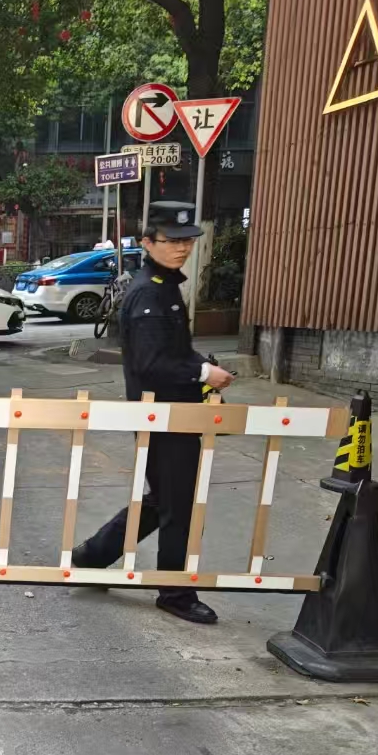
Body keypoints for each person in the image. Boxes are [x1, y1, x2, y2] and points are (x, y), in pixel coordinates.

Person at [71, 201, 234, 625]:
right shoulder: (149, 292)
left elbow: (176, 349)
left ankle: (93, 555)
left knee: (165, 499)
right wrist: (203, 372)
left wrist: (204, 367)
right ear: (147, 242)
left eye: (187, 241)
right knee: (178, 506)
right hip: (162, 416)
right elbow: (150, 363)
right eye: (171, 241)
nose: (181, 248)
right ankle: (175, 593)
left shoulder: (164, 286)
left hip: (175, 412)